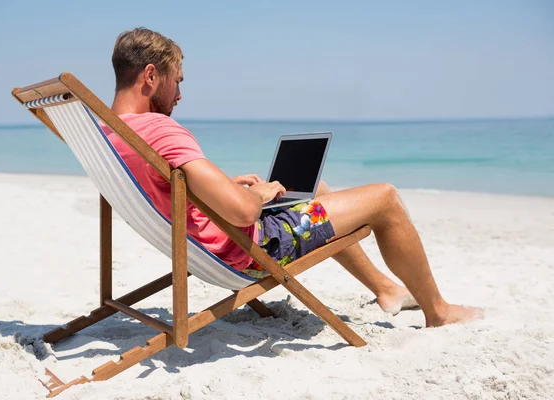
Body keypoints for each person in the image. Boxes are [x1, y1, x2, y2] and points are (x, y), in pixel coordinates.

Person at [103, 27, 483, 327]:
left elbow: (167, 187)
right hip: (252, 251)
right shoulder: (159, 129)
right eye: (177, 81)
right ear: (151, 76)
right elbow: (243, 215)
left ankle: (386, 288)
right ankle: (439, 312)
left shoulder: (110, 131)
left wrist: (223, 187)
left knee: (314, 188)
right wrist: (261, 195)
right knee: (385, 197)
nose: (180, 94)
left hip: (207, 241)